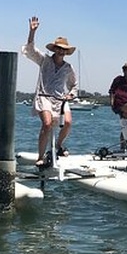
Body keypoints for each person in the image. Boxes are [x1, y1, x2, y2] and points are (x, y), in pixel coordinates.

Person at [22, 16, 78, 167]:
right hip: (44, 98)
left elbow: (74, 85)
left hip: (61, 99)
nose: (61, 51)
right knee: (47, 124)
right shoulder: (44, 60)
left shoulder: (68, 68)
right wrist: (32, 32)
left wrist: (71, 94)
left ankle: (59, 146)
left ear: (66, 52)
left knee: (68, 122)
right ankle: (40, 157)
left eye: (63, 50)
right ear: (54, 49)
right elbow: (31, 49)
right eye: (59, 48)